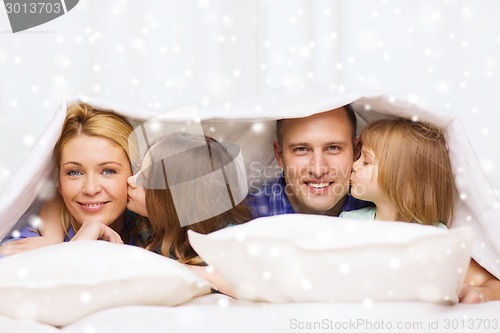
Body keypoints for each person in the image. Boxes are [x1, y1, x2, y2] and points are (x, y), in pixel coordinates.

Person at [0, 103, 140, 255]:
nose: (91, 189)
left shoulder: (148, 235)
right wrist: (69, 252)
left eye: (108, 171)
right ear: (59, 181)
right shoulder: (27, 248)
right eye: (74, 173)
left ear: (133, 174)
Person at [127, 132, 252, 294]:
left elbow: (252, 287)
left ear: (177, 198)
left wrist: (190, 271)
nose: (130, 180)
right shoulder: (142, 223)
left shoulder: (227, 241)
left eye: (144, 178)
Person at [248, 105, 371, 218]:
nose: (318, 170)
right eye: (301, 149)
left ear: (356, 152)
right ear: (280, 155)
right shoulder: (244, 218)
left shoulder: (384, 210)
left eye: (333, 148)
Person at [340, 118, 453, 227]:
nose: (354, 165)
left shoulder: (436, 236)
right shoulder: (347, 222)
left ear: (402, 179)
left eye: (366, 162)